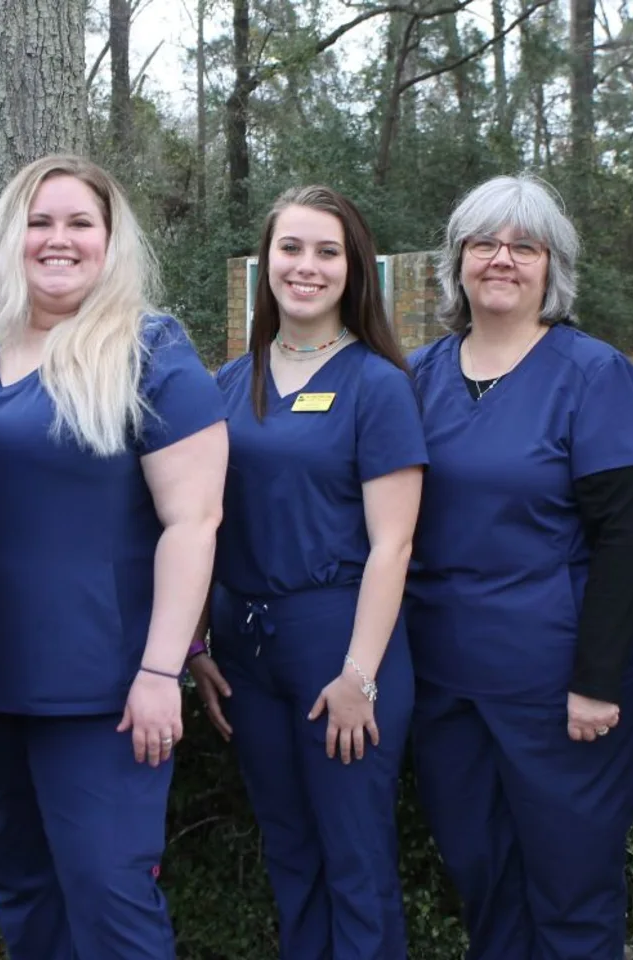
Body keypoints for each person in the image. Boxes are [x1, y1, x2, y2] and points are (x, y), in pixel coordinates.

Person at [0, 154, 227, 960]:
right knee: (22, 889)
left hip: (102, 697)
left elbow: (193, 522)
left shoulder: (151, 350)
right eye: (40, 221)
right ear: (9, 235)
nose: (59, 240)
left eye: (80, 223)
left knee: (110, 897)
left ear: (110, 239)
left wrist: (163, 670)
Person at [404, 174, 633, 959]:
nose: (503, 260)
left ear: (552, 268)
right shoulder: (418, 375)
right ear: (457, 261)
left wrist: (595, 680)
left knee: (570, 885)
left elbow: (626, 542)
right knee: (481, 871)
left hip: (559, 688)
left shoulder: (593, 374)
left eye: (525, 246)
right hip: (447, 682)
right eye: (484, 243)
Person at [189, 186, 426, 960]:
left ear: (353, 267)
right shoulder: (227, 383)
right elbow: (195, 523)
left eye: (327, 251)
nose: (307, 266)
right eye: (291, 248)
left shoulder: (378, 385)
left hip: (339, 641)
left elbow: (393, 546)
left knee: (354, 858)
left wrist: (360, 675)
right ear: (266, 263)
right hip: (246, 649)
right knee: (289, 854)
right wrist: (196, 647)